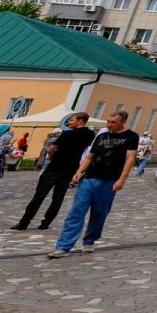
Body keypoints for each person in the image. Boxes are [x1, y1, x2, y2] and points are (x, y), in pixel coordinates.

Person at [49, 109, 141, 257]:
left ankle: (89, 240)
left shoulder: (131, 136)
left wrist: (122, 179)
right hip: (89, 178)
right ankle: (63, 246)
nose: (109, 125)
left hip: (109, 180)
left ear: (123, 122)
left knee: (99, 213)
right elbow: (90, 156)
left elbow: (130, 158)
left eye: (113, 122)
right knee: (76, 212)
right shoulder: (102, 136)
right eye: (108, 122)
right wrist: (79, 171)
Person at [15, 113, 94, 231]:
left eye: (72, 120)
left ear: (80, 121)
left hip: (55, 167)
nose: (69, 122)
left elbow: (51, 148)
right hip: (71, 168)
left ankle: (24, 222)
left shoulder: (68, 133)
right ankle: (46, 222)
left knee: (39, 196)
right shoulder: (90, 134)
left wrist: (51, 156)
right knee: (58, 197)